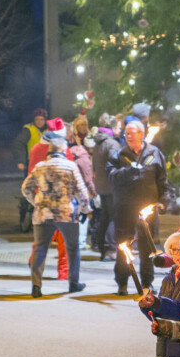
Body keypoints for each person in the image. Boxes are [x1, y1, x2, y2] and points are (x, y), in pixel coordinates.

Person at [22, 135, 90, 296]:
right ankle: (73, 283)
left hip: (43, 214)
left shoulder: (39, 167)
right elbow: (82, 192)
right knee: (72, 248)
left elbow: (25, 188)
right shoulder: (70, 166)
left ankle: (36, 286)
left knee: (40, 248)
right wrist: (85, 210)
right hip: (66, 214)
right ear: (63, 150)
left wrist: (36, 202)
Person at [107, 121, 167, 295]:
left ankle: (147, 283)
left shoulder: (154, 153)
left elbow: (162, 178)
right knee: (123, 244)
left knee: (147, 246)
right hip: (125, 207)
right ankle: (122, 283)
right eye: (126, 134)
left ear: (142, 134)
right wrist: (128, 171)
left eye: (132, 133)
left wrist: (163, 200)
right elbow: (111, 176)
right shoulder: (119, 154)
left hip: (147, 207)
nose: (129, 137)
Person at [139, 233, 180, 357]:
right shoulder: (168, 278)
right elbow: (160, 313)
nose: (178, 254)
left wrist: (157, 302)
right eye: (173, 250)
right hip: (166, 347)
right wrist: (147, 307)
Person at [93, 113, 123, 260]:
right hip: (111, 185)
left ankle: (102, 248)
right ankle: (110, 248)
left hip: (101, 184)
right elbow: (115, 164)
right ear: (113, 128)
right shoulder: (112, 144)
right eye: (119, 128)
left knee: (104, 217)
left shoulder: (99, 142)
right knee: (113, 217)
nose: (120, 131)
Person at [68, 129, 97, 251]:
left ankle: (72, 241)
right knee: (83, 216)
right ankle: (81, 242)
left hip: (70, 191)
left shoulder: (70, 155)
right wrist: (94, 193)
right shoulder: (84, 159)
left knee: (73, 216)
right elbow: (88, 179)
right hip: (81, 191)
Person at [14, 108, 48, 173]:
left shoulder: (49, 129)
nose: (39, 122)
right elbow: (18, 144)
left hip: (46, 162)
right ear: (33, 120)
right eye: (37, 119)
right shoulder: (29, 130)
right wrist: (21, 161)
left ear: (45, 120)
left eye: (42, 119)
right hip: (32, 162)